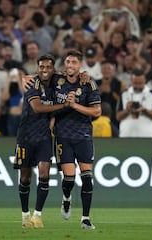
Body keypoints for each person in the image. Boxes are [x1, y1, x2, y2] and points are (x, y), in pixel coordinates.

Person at [15, 54, 70, 229]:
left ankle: (37, 215)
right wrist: (63, 106)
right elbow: (37, 108)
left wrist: (83, 75)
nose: (44, 70)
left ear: (53, 68)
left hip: (45, 136)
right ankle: (25, 215)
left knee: (44, 173)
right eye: (41, 67)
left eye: (48, 67)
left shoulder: (57, 84)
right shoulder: (32, 84)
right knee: (25, 178)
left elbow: (73, 76)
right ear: (37, 68)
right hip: (25, 136)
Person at [54, 50, 101, 230]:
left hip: (83, 135)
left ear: (80, 65)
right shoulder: (56, 80)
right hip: (63, 136)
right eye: (68, 62)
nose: (70, 65)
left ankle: (85, 218)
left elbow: (97, 112)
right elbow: (41, 76)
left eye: (74, 62)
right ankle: (66, 198)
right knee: (69, 178)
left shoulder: (88, 84)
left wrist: (75, 105)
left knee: (87, 178)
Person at [116, 69, 152, 138]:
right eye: (135, 83)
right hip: (127, 135)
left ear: (145, 81)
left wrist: (144, 110)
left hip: (147, 135)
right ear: (131, 81)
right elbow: (118, 117)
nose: (138, 86)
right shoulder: (124, 94)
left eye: (140, 83)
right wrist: (127, 110)